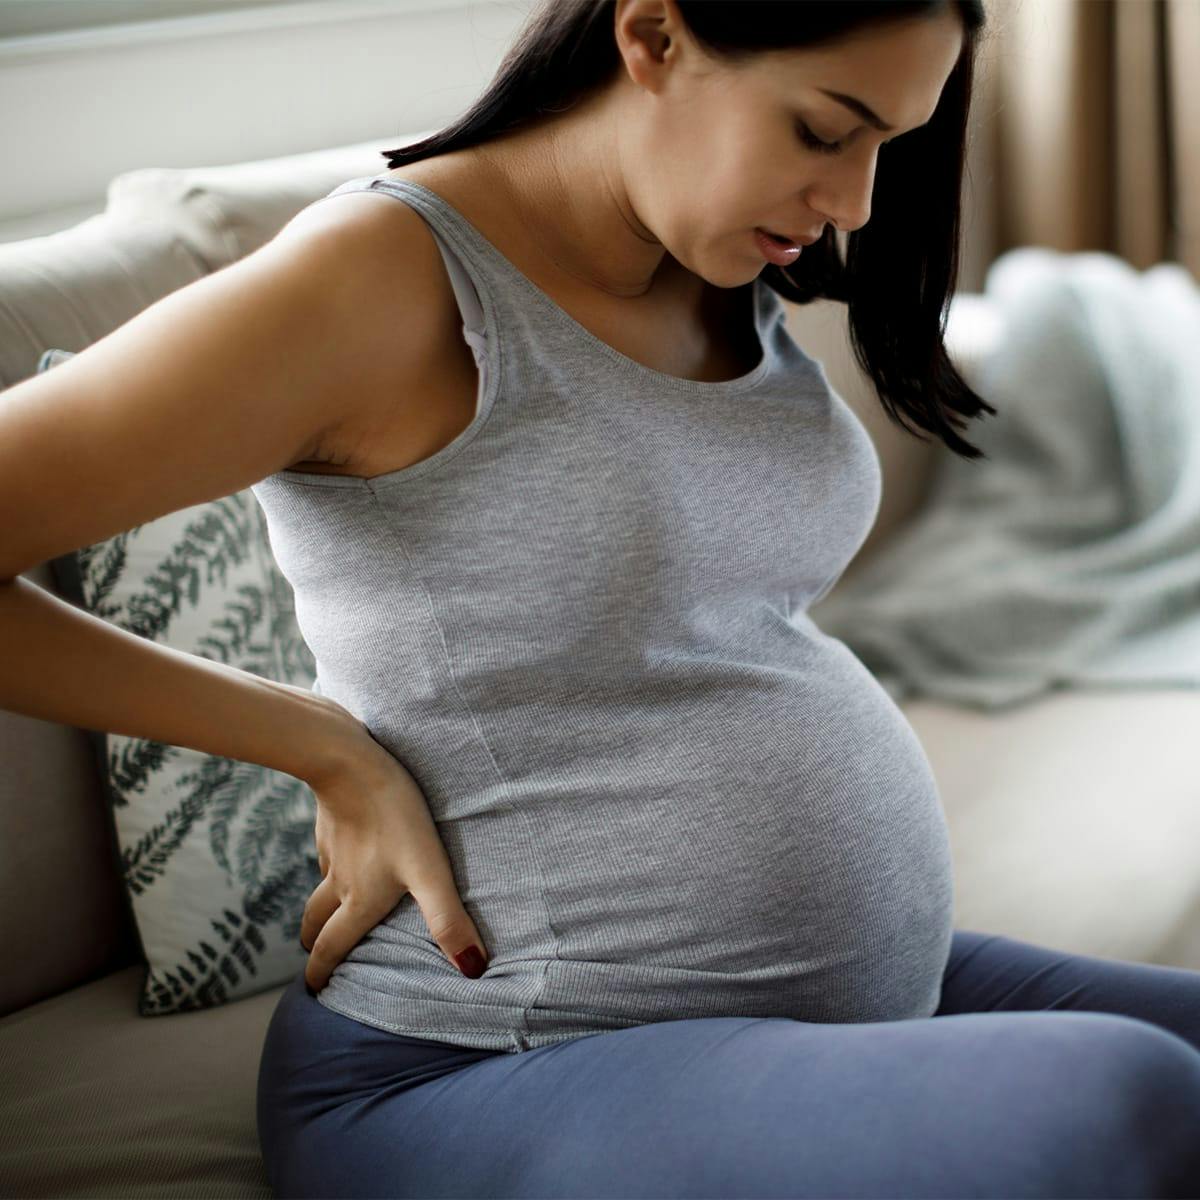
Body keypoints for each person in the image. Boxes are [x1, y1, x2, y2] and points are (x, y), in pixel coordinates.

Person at [3, 0, 1197, 1196]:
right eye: (826, 130)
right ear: (653, 37)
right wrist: (318, 744)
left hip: (823, 1001)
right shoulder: (384, 282)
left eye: (889, 142)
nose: (858, 203)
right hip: (487, 1061)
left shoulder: (716, 251)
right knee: (1134, 1105)